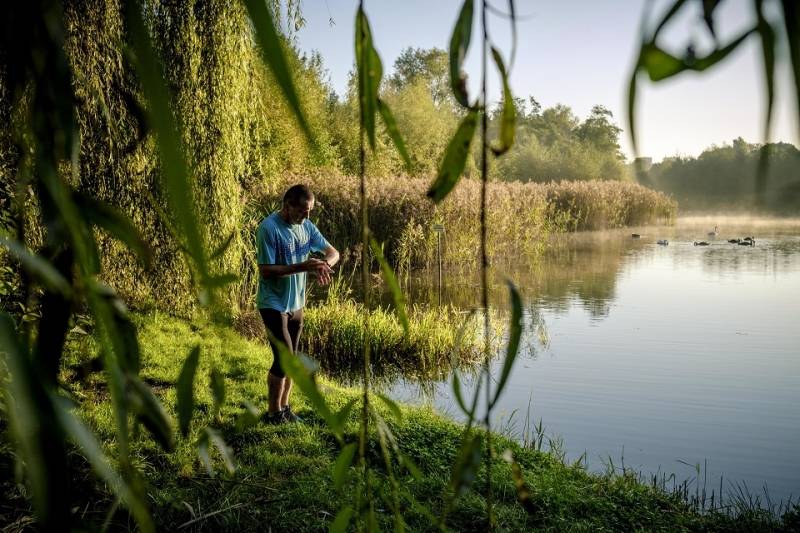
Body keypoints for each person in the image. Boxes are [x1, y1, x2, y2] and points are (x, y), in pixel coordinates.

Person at [256, 184, 339, 424]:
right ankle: (273, 413)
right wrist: (303, 266)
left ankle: (284, 409)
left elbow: (333, 253)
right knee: (284, 359)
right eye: (302, 211)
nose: (306, 215)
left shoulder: (307, 227)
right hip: (273, 303)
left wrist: (324, 265)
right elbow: (266, 271)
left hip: (296, 303)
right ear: (287, 205)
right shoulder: (268, 229)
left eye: (309, 211)